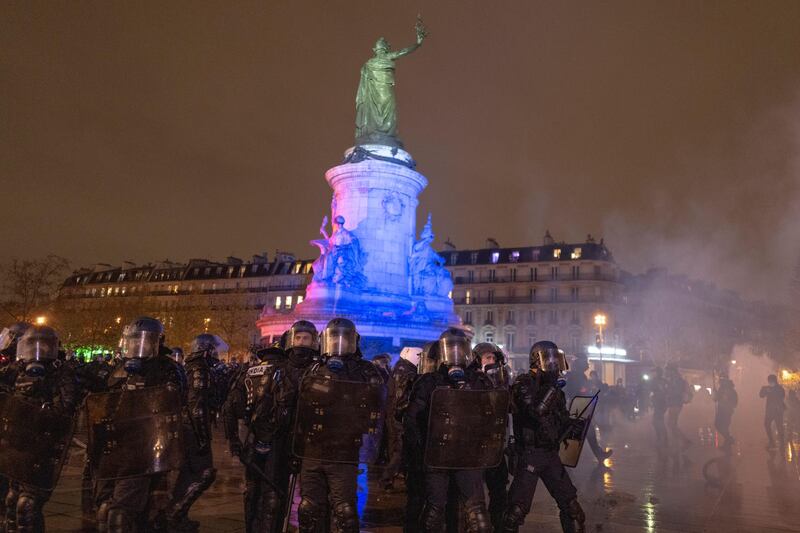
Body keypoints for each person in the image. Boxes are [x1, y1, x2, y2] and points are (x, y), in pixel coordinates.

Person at [95, 317, 186, 533]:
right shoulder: (119, 369)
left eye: (144, 340)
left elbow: (174, 400)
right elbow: (104, 401)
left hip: (144, 446)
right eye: (134, 340)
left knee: (120, 513)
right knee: (104, 508)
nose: (139, 345)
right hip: (115, 445)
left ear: (158, 341)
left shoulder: (167, 368)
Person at [295, 318, 383, 533]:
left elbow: (376, 404)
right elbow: (301, 403)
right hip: (312, 449)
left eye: (344, 338)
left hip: (343, 451)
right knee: (309, 510)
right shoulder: (313, 367)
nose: (338, 343)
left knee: (345, 512)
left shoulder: (366, 371)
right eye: (334, 337)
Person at [404, 329, 494, 533]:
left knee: (478, 516)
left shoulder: (479, 381)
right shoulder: (429, 382)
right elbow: (412, 418)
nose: (456, 354)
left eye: (460, 348)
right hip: (437, 456)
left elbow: (492, 416)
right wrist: (420, 450)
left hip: (468, 456)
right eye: (451, 349)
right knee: (434, 512)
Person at [503, 341, 586, 533]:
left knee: (572, 508)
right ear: (536, 360)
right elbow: (535, 411)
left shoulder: (555, 389)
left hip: (550, 454)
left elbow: (560, 418)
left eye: (556, 360)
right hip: (530, 453)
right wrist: (553, 389)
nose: (554, 365)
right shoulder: (523, 383)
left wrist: (573, 424)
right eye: (549, 360)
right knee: (515, 512)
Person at [1, 326, 77, 533]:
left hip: (41, 447)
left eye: (43, 345)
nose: (37, 350)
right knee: (11, 501)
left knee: (27, 505)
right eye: (32, 345)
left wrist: (48, 406)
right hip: (15, 445)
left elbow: (67, 406)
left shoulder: (60, 372)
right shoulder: (16, 370)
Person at [224, 332, 288, 533]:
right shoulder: (286, 372)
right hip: (278, 441)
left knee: (252, 488)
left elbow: (229, 408)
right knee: (273, 490)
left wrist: (234, 441)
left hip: (252, 438)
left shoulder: (248, 372)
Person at [167, 334, 230, 531]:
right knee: (204, 473)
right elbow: (197, 406)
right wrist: (203, 436)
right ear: (206, 350)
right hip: (192, 429)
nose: (216, 355)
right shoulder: (199, 370)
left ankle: (178, 515)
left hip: (186, 427)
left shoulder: (190, 366)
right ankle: (174, 513)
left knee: (187, 473)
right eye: (213, 351)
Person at [472, 342, 511, 531]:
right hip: (475, 449)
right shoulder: (471, 381)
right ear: (477, 361)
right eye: (488, 358)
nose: (492, 361)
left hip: (496, 447)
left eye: (494, 358)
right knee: (473, 497)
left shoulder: (502, 383)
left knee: (499, 492)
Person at [563, 356, 611, 463]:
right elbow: (572, 391)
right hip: (577, 407)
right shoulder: (575, 376)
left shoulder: (580, 376)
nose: (587, 365)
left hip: (581, 406)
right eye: (584, 362)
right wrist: (584, 390)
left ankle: (598, 454)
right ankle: (564, 456)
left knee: (588, 431)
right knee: (575, 433)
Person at [664, 364, 692, 450]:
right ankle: (679, 442)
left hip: (675, 404)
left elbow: (678, 392)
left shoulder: (677, 381)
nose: (666, 372)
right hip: (674, 403)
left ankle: (683, 441)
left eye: (668, 370)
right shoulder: (674, 380)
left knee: (671, 424)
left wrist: (669, 394)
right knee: (672, 424)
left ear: (672, 371)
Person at [760, 374, 786, 450]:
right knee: (767, 424)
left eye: (771, 381)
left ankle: (781, 443)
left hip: (778, 410)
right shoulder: (767, 388)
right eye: (769, 381)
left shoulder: (779, 388)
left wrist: (771, 391)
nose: (770, 382)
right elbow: (761, 395)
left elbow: (782, 396)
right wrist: (764, 390)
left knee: (779, 426)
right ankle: (772, 441)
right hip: (770, 410)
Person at [713, 373, 738, 449]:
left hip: (725, 411)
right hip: (723, 410)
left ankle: (729, 440)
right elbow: (716, 399)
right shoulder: (724, 389)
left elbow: (734, 402)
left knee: (721, 425)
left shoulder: (728, 390)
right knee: (721, 426)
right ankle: (728, 442)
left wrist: (717, 396)